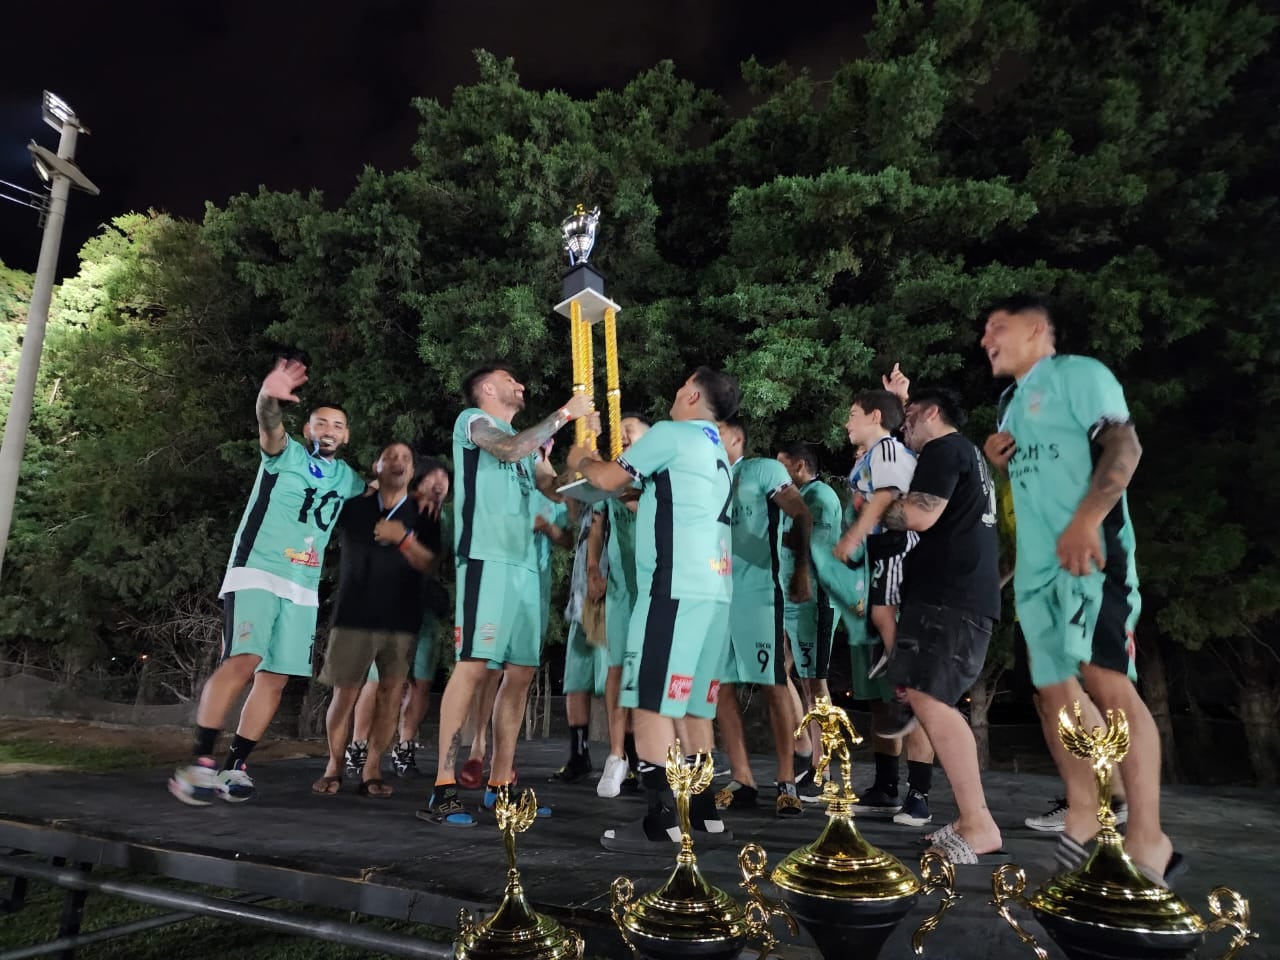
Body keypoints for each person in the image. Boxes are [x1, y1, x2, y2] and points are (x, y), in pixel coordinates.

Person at [980, 294, 1177, 884]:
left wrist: (1088, 519)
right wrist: (998, 463)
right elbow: (1036, 485)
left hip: (1091, 555)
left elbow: (1125, 446)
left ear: (1038, 328)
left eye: (998, 327)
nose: (986, 338)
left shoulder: (1078, 375)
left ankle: (1149, 835)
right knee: (1050, 693)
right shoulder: (1009, 406)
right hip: (1040, 572)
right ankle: (1086, 816)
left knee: (1106, 682)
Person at [170, 359, 366, 805]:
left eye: (338, 425)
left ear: (347, 435)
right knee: (244, 659)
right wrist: (267, 396)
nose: (329, 429)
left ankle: (236, 766)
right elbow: (269, 423)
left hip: (303, 587)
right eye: (321, 422)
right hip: (258, 570)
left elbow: (382, 498)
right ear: (309, 427)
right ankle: (199, 763)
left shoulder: (349, 479)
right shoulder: (286, 453)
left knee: (275, 677)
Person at [567, 367, 740, 852]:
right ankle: (703, 813)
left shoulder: (670, 434)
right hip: (715, 590)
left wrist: (582, 456)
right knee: (691, 703)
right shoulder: (717, 451)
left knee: (648, 699)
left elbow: (603, 476)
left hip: (674, 587)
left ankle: (660, 819)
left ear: (690, 392)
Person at [418, 365, 595, 827]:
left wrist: (579, 461)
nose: (521, 383)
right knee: (474, 665)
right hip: (487, 559)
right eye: (510, 379)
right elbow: (508, 447)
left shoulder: (527, 443)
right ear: (488, 388)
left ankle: (501, 786)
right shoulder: (475, 422)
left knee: (520, 673)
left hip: (525, 569)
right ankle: (442, 787)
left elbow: (554, 497)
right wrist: (563, 414)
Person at [879, 387, 1003, 863]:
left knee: (931, 700)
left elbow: (919, 514)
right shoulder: (967, 453)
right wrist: (898, 398)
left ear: (932, 414)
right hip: (958, 596)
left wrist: (870, 507)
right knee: (931, 700)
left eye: (909, 417)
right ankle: (969, 817)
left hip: (949, 599)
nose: (903, 427)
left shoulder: (943, 448)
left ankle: (978, 822)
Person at [312, 442, 436, 798]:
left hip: (401, 617)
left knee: (390, 694)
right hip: (355, 613)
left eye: (406, 459)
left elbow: (429, 563)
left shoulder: (422, 515)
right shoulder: (353, 508)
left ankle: (372, 769)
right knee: (346, 692)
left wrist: (404, 540)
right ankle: (334, 765)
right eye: (390, 456)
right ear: (376, 465)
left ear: (413, 472)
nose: (398, 462)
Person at [713, 417, 814, 819]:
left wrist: (801, 571)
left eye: (717, 431)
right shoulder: (706, 477)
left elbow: (801, 514)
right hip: (716, 595)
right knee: (720, 687)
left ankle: (787, 779)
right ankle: (742, 778)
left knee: (772, 684)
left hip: (757, 593)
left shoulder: (762, 469)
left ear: (737, 436)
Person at [346, 457, 452, 779]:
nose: (439, 483)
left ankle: (405, 748)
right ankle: (358, 746)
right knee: (379, 680)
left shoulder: (446, 519)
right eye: (432, 476)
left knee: (421, 683)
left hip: (428, 608)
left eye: (445, 479)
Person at [776, 441, 856, 800]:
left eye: (783, 464)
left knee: (815, 684)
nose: (778, 473)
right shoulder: (794, 496)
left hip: (814, 601)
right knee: (781, 671)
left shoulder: (820, 495)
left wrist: (801, 577)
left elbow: (816, 548)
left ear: (801, 464)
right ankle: (806, 751)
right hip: (792, 600)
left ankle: (824, 770)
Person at [834, 386, 918, 686]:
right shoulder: (875, 454)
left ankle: (906, 674)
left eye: (853, 415)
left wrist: (852, 537)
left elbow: (885, 496)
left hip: (898, 541)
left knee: (884, 611)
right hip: (884, 545)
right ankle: (896, 659)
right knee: (878, 610)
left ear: (875, 417)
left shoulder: (887, 449)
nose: (848, 423)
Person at [590, 414, 650, 799]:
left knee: (649, 672)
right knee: (616, 669)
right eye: (621, 430)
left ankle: (650, 754)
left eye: (632, 430)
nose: (624, 434)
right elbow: (597, 523)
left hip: (653, 584)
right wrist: (594, 566)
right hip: (621, 589)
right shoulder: (613, 476)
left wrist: (618, 488)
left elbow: (642, 509)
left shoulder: (660, 475)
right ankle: (616, 755)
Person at [550, 501, 609, 783]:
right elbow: (573, 524)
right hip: (580, 600)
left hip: (610, 597)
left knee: (614, 681)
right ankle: (578, 754)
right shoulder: (589, 493)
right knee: (575, 680)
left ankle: (629, 756)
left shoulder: (621, 486)